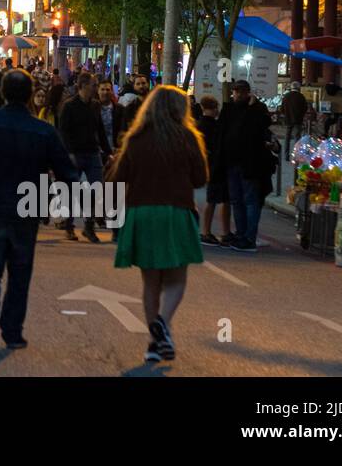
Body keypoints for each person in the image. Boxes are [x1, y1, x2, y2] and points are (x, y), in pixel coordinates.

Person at [0, 69, 77, 354]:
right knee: (20, 271)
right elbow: (67, 173)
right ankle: (12, 331)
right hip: (28, 209)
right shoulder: (44, 130)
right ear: (29, 95)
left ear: (1, 93)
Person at [106, 85, 208, 363]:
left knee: (150, 282)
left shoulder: (136, 139)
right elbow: (200, 179)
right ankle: (163, 323)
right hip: (176, 212)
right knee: (176, 279)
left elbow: (117, 180)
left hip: (142, 212)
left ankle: (155, 341)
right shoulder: (187, 137)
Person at [217, 79, 276, 253]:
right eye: (236, 92)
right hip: (232, 162)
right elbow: (223, 132)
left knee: (250, 200)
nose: (238, 95)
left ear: (248, 93)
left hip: (250, 164)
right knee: (236, 200)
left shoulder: (257, 111)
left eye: (242, 92)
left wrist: (253, 107)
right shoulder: (230, 110)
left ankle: (249, 237)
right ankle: (241, 233)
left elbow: (261, 126)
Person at [57, 72, 108, 243]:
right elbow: (63, 132)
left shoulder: (94, 106)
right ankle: (69, 226)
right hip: (75, 154)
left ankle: (89, 226)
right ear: (83, 85)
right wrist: (68, 153)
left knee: (97, 189)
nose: (96, 88)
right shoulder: (69, 106)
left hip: (93, 153)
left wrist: (108, 152)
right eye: (93, 85)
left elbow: (99, 130)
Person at [197, 95, 232, 246]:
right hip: (216, 166)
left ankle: (213, 231)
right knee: (217, 199)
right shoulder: (211, 126)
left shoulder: (200, 125)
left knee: (218, 199)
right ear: (212, 108)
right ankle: (207, 232)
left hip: (211, 166)